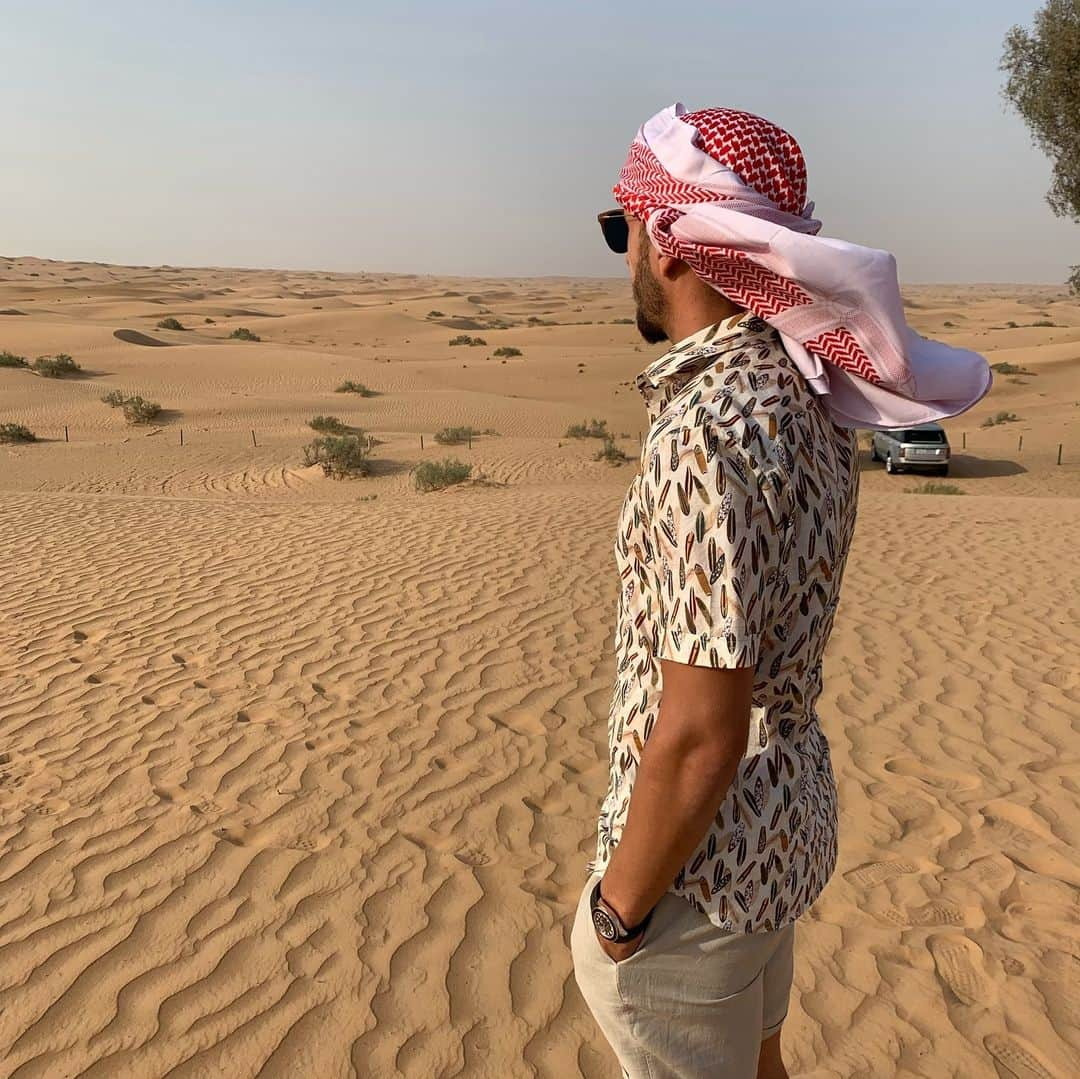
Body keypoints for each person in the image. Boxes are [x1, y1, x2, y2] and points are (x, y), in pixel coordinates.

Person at [570, 103, 991, 1078]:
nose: (621, 251)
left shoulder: (706, 428)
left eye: (619, 227)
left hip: (697, 880)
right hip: (777, 840)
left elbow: (700, 730)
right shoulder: (806, 394)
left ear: (670, 244)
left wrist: (616, 913)